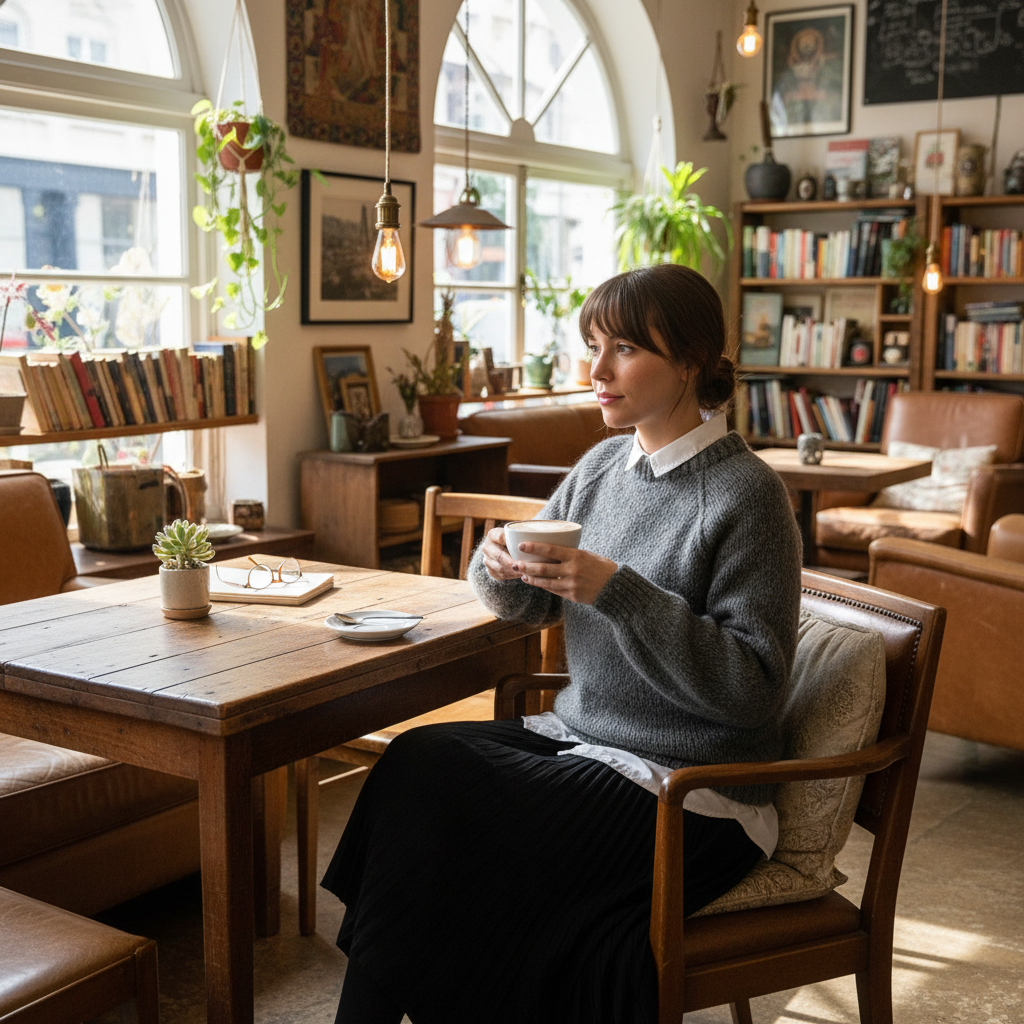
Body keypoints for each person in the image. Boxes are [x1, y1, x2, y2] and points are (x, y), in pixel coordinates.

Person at [321, 263, 803, 1024]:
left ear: (689, 360)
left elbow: (752, 688)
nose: (596, 370)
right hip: (588, 742)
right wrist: (499, 558)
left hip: (695, 791)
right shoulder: (603, 466)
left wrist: (617, 590)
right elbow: (519, 607)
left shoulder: (747, 495)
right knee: (418, 763)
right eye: (591, 344)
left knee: (460, 822)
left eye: (623, 349)